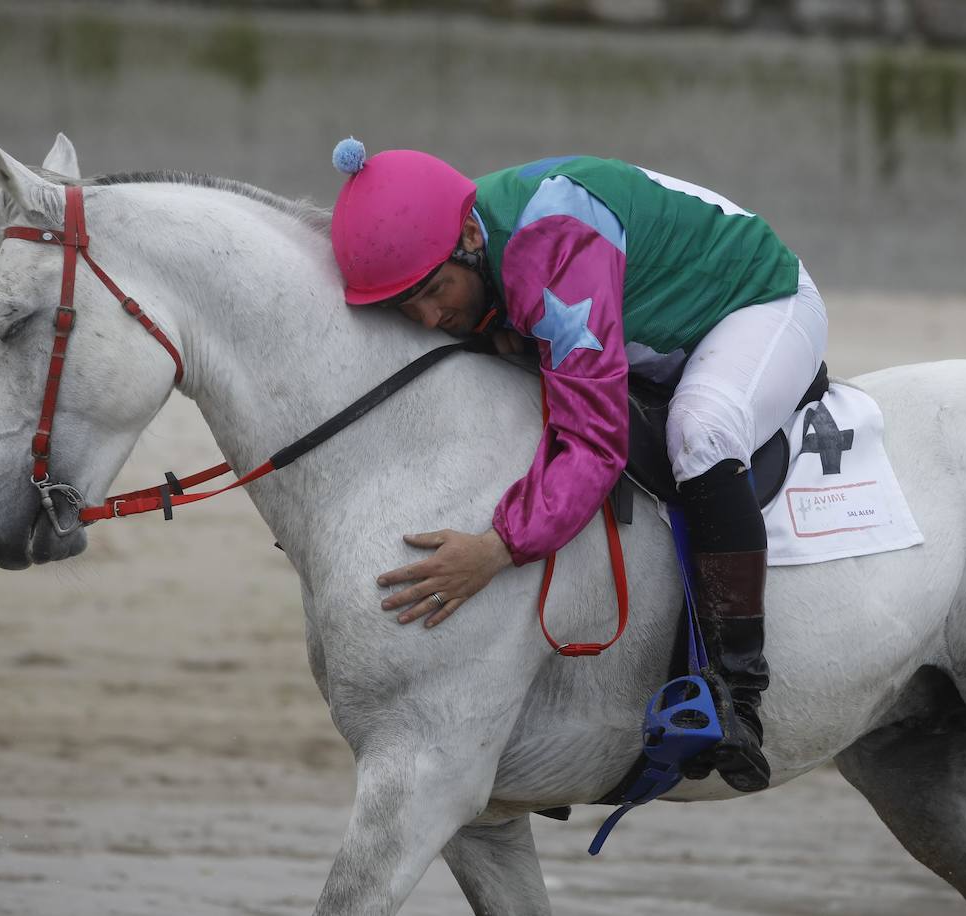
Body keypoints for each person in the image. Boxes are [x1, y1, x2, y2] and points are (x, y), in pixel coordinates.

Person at [329, 139, 828, 793]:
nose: (427, 316)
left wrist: (498, 548)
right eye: (405, 306)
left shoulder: (551, 251)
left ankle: (737, 692)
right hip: (650, 303)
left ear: (472, 238)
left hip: (758, 302)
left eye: (434, 291)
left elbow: (595, 443)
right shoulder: (450, 227)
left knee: (700, 434)